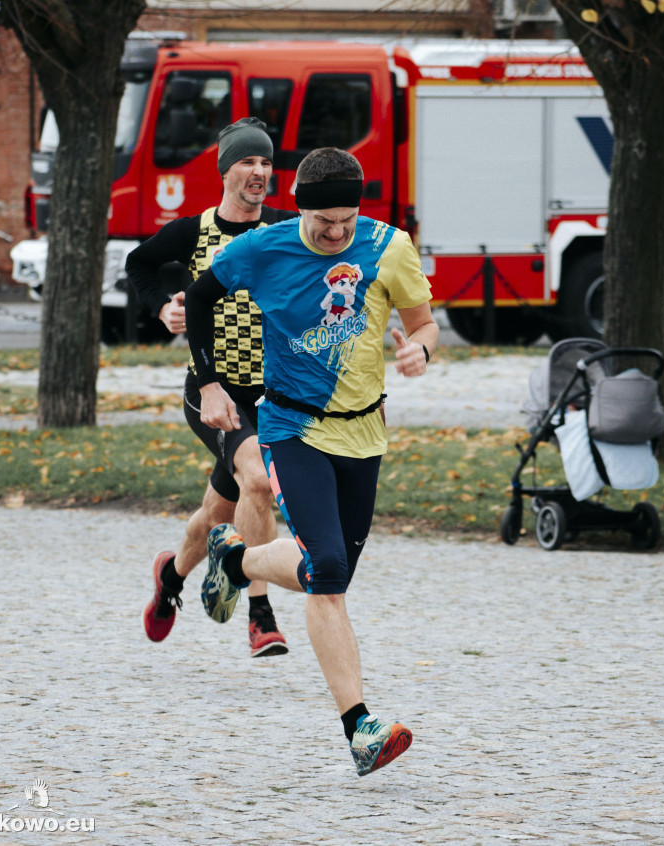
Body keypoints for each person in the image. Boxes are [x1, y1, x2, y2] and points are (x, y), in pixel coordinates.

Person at [184, 147, 438, 776]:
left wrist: (421, 354)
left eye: (345, 220)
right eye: (323, 220)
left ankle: (235, 557)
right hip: (293, 426)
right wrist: (212, 384)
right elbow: (197, 301)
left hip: (365, 433)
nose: (334, 232)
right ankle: (361, 727)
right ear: (300, 208)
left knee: (332, 573)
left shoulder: (389, 247)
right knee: (325, 568)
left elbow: (426, 324)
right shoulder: (263, 249)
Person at [127, 118, 298, 655]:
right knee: (259, 482)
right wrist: (162, 306)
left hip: (272, 395)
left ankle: (170, 579)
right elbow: (139, 264)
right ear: (225, 169)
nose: (260, 172)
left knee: (218, 514)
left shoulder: (285, 228)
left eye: (266, 163)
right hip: (212, 393)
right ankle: (261, 614)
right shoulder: (193, 232)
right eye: (248, 161)